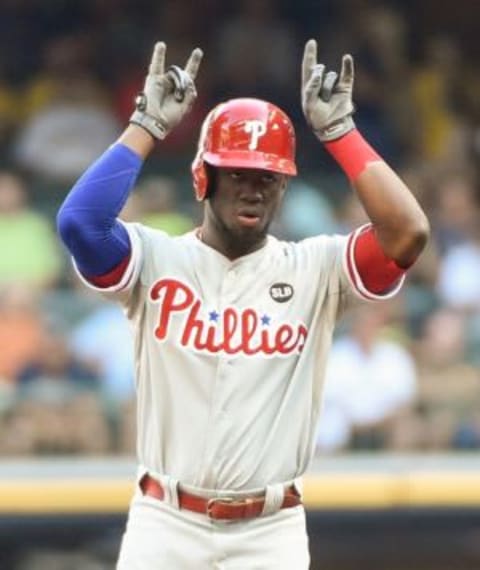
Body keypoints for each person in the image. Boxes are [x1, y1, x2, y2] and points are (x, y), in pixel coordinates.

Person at [56, 40, 429, 569]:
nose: (252, 190)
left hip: (269, 532)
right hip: (165, 521)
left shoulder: (316, 269)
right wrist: (146, 127)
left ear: (283, 187)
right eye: (237, 174)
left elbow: (408, 233)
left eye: (266, 178)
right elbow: (80, 224)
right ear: (203, 178)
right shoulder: (155, 259)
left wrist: (340, 135)